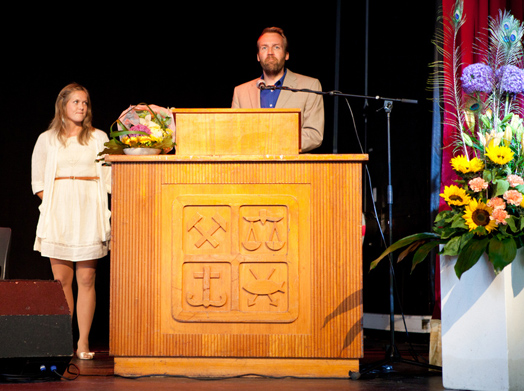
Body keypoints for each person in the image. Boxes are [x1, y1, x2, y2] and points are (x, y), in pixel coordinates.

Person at [31, 83, 111, 360]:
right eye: (76, 101)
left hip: (90, 211)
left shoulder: (98, 138)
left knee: (87, 278)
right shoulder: (48, 139)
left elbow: (111, 179)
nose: (81, 107)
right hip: (60, 213)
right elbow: (39, 181)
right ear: (63, 105)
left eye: (85, 102)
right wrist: (55, 204)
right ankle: (64, 339)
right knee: (61, 280)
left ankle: (83, 342)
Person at [232, 27, 324, 153]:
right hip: (252, 169)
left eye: (276, 47)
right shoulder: (240, 92)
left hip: (292, 169)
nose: (270, 52)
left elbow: (314, 135)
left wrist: (273, 142)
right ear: (258, 56)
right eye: (264, 47)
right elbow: (234, 135)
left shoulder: (310, 86)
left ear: (286, 55)